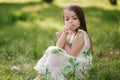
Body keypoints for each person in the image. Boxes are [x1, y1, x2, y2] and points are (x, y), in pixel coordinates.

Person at [34, 5, 93, 80]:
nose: (70, 21)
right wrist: (63, 36)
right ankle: (42, 76)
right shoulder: (69, 33)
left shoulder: (80, 34)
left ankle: (41, 77)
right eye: (67, 19)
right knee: (52, 49)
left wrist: (64, 39)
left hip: (79, 68)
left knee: (54, 50)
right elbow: (58, 47)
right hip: (71, 62)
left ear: (81, 19)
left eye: (74, 18)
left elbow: (72, 54)